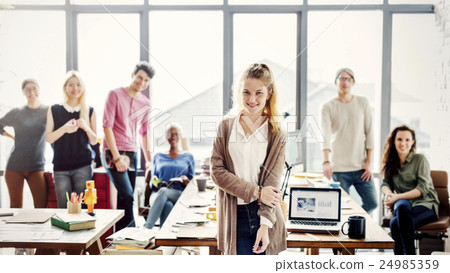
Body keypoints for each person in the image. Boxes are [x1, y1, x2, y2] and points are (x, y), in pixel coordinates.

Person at [211, 63, 287, 255]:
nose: (252, 99)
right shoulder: (226, 127)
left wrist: (265, 226)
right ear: (239, 92)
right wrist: (256, 191)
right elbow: (217, 173)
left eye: (259, 93)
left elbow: (273, 183)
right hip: (233, 215)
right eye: (246, 92)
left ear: (269, 93)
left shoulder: (276, 132)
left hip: (263, 216)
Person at [101, 61, 154, 231]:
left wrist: (149, 161)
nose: (142, 82)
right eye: (140, 77)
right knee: (127, 194)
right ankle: (129, 236)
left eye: (146, 80)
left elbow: (144, 133)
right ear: (133, 75)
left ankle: (122, 239)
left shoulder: (145, 103)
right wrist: (116, 158)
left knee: (127, 199)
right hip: (112, 151)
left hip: (132, 153)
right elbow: (107, 126)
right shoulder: (114, 95)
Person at [320, 68, 377, 214]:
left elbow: (370, 132)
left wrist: (369, 162)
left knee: (372, 202)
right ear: (336, 82)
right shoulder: (327, 107)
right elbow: (324, 136)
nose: (345, 82)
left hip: (361, 168)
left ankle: (357, 222)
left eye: (348, 79)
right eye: (342, 78)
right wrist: (326, 162)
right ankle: (350, 229)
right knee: (341, 208)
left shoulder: (363, 103)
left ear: (353, 83)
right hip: (339, 169)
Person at [381, 125, 439, 255]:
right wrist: (389, 194)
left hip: (426, 204)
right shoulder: (391, 162)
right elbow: (385, 183)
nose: (403, 143)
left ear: (413, 142)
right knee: (401, 207)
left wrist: (397, 197)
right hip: (405, 205)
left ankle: (409, 258)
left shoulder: (420, 159)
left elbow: (422, 189)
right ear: (394, 141)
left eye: (407, 140)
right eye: (400, 139)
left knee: (396, 223)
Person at [46, 71, 97, 208]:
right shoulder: (54, 109)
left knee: (84, 208)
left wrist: (86, 127)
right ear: (65, 88)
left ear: (83, 87)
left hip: (83, 166)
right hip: (60, 167)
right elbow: (48, 138)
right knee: (64, 209)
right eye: (71, 85)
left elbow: (94, 141)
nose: (75, 88)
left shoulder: (90, 110)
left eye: (78, 84)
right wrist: (64, 129)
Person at [0, 79, 48, 208]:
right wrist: (11, 136)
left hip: (36, 166)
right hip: (14, 167)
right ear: (23, 92)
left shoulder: (47, 111)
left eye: (34, 88)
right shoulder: (17, 112)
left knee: (41, 209)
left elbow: (54, 132)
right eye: (27, 89)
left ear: (39, 90)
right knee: (15, 210)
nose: (31, 92)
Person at [144, 123, 195, 229]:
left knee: (164, 191)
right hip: (158, 194)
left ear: (180, 136)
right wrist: (154, 181)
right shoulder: (158, 156)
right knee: (167, 204)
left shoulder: (188, 157)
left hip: (178, 194)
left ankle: (146, 228)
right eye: (169, 134)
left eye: (176, 134)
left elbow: (193, 185)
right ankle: (163, 239)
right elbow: (152, 181)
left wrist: (186, 181)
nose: (173, 137)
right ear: (166, 137)